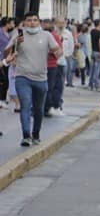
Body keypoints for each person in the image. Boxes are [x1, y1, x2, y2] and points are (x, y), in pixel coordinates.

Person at [4, 13, 62, 146]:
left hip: (41, 79)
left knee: (38, 109)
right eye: (29, 20)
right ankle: (26, 136)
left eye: (35, 20)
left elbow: (57, 50)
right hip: (22, 77)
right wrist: (14, 47)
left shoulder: (46, 35)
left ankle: (36, 133)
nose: (32, 23)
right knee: (25, 104)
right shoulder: (19, 34)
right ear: (24, 22)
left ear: (39, 22)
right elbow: (7, 52)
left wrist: (58, 53)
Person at [43, 19, 64, 117]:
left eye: (47, 24)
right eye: (44, 24)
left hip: (51, 65)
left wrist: (50, 52)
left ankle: (47, 107)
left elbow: (59, 51)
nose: (45, 25)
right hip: (39, 65)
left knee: (49, 87)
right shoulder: (40, 35)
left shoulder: (54, 36)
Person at [88, 20, 100, 90]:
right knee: (97, 69)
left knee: (92, 69)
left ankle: (90, 84)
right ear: (99, 24)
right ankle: (96, 84)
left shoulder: (92, 31)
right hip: (98, 52)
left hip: (92, 51)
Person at [60, 19, 76, 87]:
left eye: (63, 23)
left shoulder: (68, 33)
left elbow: (71, 44)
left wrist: (69, 53)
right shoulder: (54, 33)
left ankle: (67, 82)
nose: (61, 25)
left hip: (66, 55)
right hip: (57, 56)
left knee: (67, 70)